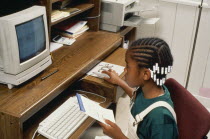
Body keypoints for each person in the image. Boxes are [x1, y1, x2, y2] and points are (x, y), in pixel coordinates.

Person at [98, 38, 179, 139]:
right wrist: (119, 81)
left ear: (145, 74)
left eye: (128, 66)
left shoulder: (160, 119)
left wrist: (119, 136)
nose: (125, 69)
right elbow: (136, 97)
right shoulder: (149, 90)